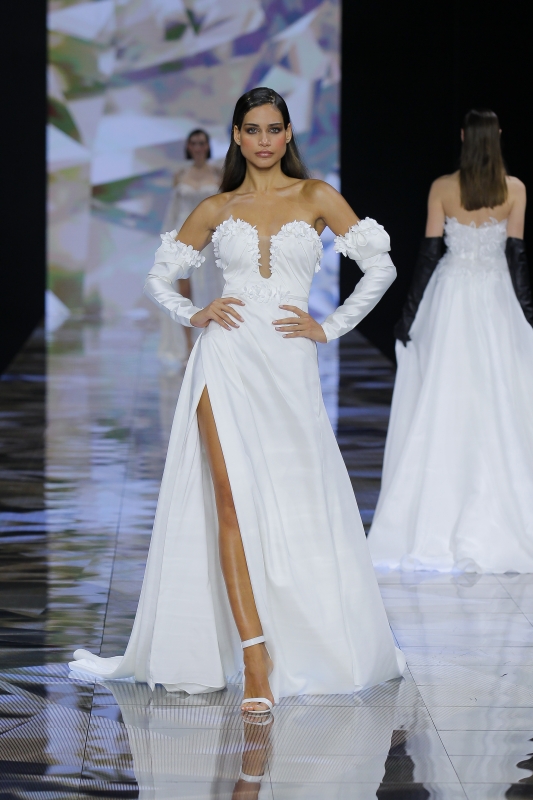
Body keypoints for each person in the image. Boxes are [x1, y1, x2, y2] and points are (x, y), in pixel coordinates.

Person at [70, 87, 405, 714]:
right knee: (228, 501)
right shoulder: (216, 207)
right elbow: (157, 276)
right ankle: (255, 661)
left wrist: (330, 326)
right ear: (236, 136)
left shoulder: (317, 196)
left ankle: (305, 632)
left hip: (289, 365)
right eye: (252, 129)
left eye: (274, 128)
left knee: (294, 498)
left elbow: (381, 267)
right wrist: (193, 312)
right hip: (223, 360)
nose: (264, 140)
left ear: (288, 134)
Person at [369, 109, 533, 574]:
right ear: (496, 136)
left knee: (446, 394)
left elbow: (428, 255)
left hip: (451, 297)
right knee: (498, 396)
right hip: (496, 297)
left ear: (463, 137)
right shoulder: (515, 189)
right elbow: (517, 257)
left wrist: (408, 314)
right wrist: (527, 315)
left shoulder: (442, 188)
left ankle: (436, 512)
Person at [158, 129, 224, 368]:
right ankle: (187, 346)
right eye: (194, 143)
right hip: (184, 236)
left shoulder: (218, 174)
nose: (198, 147)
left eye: (201, 143)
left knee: (214, 290)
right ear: (188, 146)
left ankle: (214, 344)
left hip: (210, 237)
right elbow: (173, 211)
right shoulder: (180, 175)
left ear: (207, 146)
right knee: (184, 291)